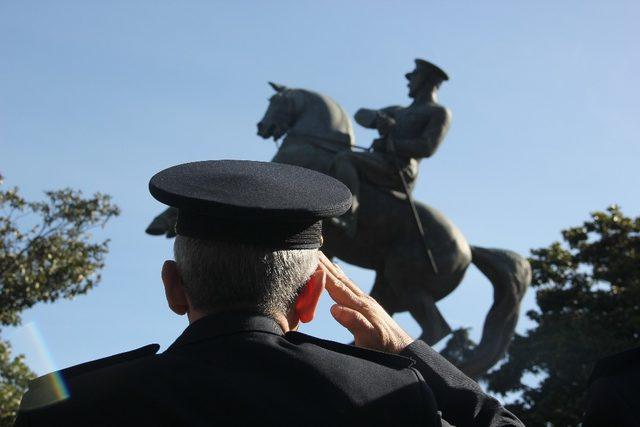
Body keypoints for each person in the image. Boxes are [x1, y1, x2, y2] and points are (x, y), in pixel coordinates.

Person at [15, 160, 522, 426]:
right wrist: (408, 352)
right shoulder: (390, 397)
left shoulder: (63, 405)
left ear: (174, 287)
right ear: (310, 297)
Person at [331, 59, 451, 237]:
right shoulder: (398, 111)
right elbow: (360, 114)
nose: (408, 80)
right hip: (382, 162)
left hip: (401, 168)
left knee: (346, 158)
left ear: (425, 81)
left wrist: (389, 144)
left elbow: (427, 147)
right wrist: (378, 118)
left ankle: (347, 215)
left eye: (413, 76)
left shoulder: (438, 112)